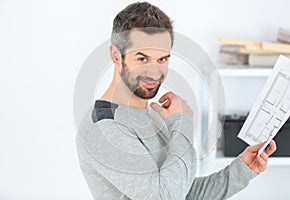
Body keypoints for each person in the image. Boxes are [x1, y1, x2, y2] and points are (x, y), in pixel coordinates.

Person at [76, 2, 277, 200]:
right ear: (115, 55)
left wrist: (241, 170)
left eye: (162, 59)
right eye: (142, 59)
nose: (154, 72)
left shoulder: (153, 115)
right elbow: (166, 197)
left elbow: (182, 191)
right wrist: (181, 123)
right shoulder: (104, 128)